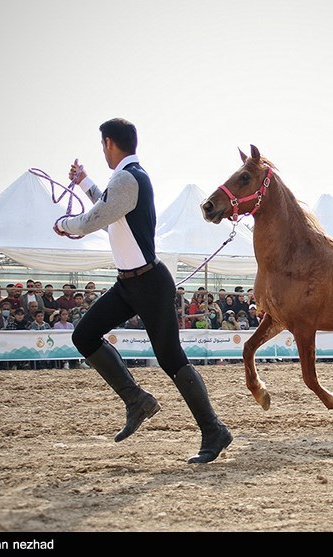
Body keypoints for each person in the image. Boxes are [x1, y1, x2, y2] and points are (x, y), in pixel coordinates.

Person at [54, 117, 232, 464]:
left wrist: (64, 225)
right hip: (130, 283)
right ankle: (136, 400)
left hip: (148, 284)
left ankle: (214, 430)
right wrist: (84, 181)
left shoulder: (126, 178)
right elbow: (108, 206)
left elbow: (96, 218)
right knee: (85, 335)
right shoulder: (129, 178)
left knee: (171, 358)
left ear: (108, 143)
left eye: (102, 145)